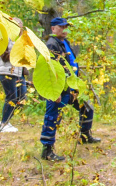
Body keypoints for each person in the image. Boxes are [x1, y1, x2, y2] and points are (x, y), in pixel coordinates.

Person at [40, 17, 100, 161]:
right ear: (53, 28)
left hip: (71, 87)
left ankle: (85, 136)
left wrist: (76, 87)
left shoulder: (64, 42)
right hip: (58, 89)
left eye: (66, 27)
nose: (64, 30)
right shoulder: (51, 44)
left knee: (87, 107)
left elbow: (72, 65)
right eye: (61, 27)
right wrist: (55, 91)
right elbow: (51, 69)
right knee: (53, 117)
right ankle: (47, 150)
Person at [0, 17, 27, 133]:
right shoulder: (4, 36)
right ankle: (4, 123)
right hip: (5, 71)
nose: (19, 28)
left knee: (22, 97)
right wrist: (17, 55)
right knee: (11, 97)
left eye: (20, 26)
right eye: (16, 25)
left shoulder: (20, 39)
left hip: (17, 72)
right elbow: (3, 55)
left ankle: (5, 121)